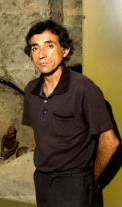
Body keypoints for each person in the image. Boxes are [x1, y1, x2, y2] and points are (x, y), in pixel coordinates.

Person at [22, 20, 119, 207]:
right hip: (42, 179)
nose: (41, 54)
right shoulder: (30, 90)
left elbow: (111, 142)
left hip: (74, 180)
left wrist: (91, 178)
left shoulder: (84, 88)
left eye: (49, 46)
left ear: (65, 50)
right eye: (35, 48)